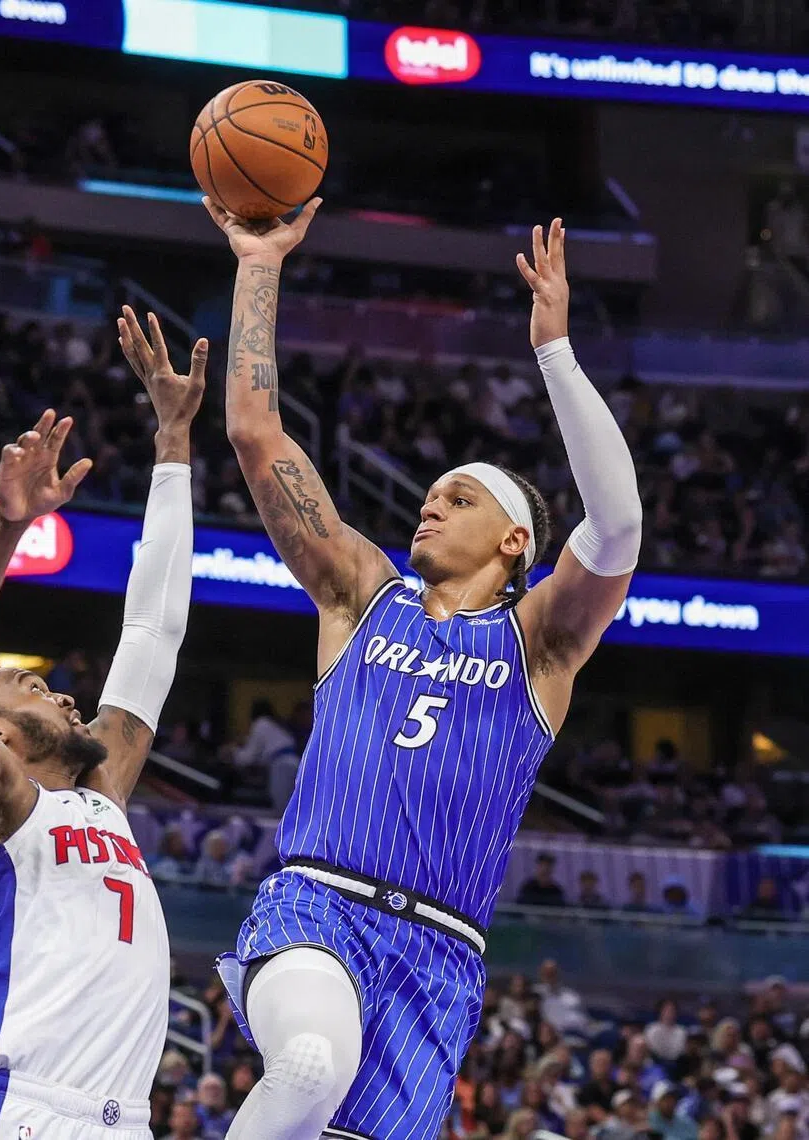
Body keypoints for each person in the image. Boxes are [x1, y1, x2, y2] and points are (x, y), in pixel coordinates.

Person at [206, 202, 641, 1140]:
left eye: (458, 497)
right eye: (430, 496)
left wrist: (555, 352)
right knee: (311, 1063)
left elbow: (618, 526)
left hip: (440, 959)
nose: (429, 507)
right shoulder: (363, 595)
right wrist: (259, 261)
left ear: (515, 537)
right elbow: (255, 432)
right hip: (318, 907)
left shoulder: (541, 645)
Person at [0, 307, 204, 1139]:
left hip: (123, 1121)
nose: (66, 695)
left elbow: (153, 631)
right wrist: (6, 529)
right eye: (29, 687)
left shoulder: (103, 786)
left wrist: (172, 446)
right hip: (12, 1110)